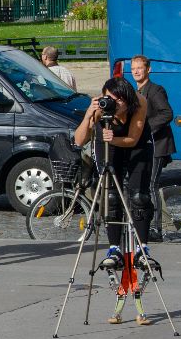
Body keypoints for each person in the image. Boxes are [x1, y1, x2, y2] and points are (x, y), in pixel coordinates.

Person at [73, 75, 154, 268]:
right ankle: (114, 248)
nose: (114, 104)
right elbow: (79, 140)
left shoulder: (139, 102)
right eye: (110, 98)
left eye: (119, 100)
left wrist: (114, 139)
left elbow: (133, 139)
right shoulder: (100, 107)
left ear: (128, 99)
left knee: (139, 196)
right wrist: (88, 115)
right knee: (110, 196)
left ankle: (142, 249)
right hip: (107, 143)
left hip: (137, 144)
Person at [129, 55, 175, 189]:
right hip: (144, 145)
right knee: (140, 184)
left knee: (150, 186)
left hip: (158, 145)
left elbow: (167, 113)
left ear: (148, 69)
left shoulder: (155, 90)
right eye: (133, 69)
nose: (136, 72)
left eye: (139, 68)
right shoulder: (135, 92)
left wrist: (144, 128)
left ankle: (155, 205)